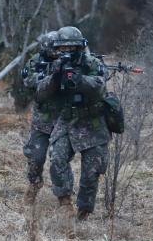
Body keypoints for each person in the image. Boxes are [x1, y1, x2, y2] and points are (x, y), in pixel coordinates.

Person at [35, 26, 110, 227]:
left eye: (71, 47)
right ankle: (65, 202)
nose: (66, 52)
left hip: (92, 122)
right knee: (57, 158)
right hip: (67, 121)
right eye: (62, 48)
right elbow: (40, 92)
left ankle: (84, 211)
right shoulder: (54, 65)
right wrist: (55, 78)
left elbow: (101, 86)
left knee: (91, 170)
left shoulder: (92, 63)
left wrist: (80, 80)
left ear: (80, 47)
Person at [21, 30, 59, 205]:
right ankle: (34, 184)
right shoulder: (36, 61)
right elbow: (28, 81)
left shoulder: (69, 60)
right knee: (35, 156)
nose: (57, 51)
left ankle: (64, 197)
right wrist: (49, 77)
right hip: (42, 120)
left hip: (63, 120)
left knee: (60, 159)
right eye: (53, 48)